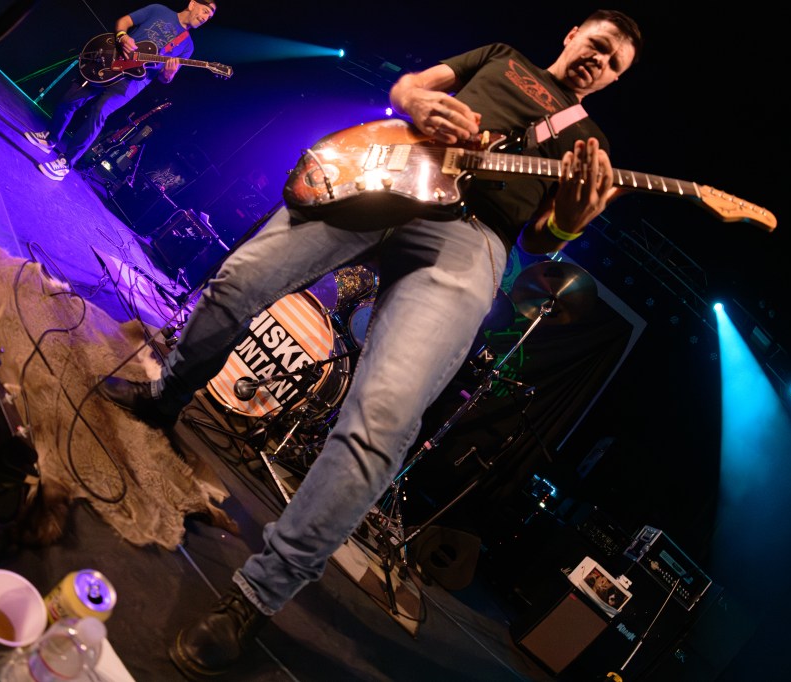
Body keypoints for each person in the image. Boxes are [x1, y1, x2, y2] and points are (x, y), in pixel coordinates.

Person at [97, 9, 642, 678]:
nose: (600, 61)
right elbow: (411, 86)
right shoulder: (502, 54)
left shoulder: (589, 143)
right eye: (599, 44)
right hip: (390, 176)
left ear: (614, 80)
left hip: (474, 238)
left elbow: (540, 237)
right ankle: (168, 395)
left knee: (383, 419)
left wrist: (570, 222)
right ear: (574, 33)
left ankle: (258, 594)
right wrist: (417, 101)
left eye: (615, 64)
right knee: (241, 279)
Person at [22, 1, 216, 181]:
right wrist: (123, 36)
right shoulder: (159, 10)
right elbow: (124, 21)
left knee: (99, 112)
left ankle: (65, 162)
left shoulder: (187, 46)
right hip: (113, 61)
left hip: (133, 82)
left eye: (209, 16)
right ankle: (50, 138)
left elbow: (165, 79)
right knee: (71, 97)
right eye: (205, 11)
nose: (206, 17)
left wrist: (169, 73)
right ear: (192, 3)